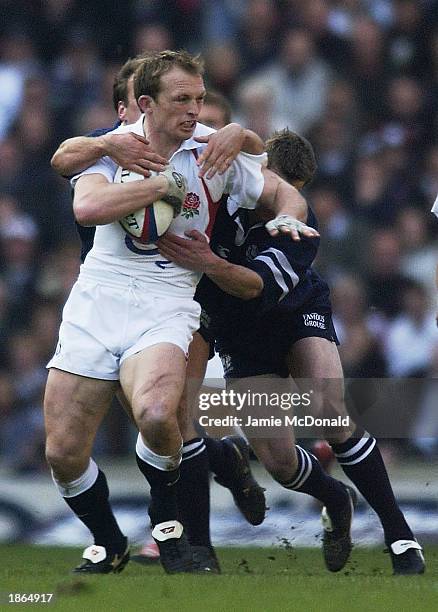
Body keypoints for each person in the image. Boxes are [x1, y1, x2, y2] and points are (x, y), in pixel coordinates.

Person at [45, 50, 317, 576]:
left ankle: (164, 520)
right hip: (98, 295)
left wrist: (287, 218)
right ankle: (108, 540)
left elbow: (286, 191)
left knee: (155, 415)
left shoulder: (210, 154)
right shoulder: (116, 146)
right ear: (146, 104)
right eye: (182, 100)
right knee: (62, 453)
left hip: (169, 297)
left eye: (199, 98)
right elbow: (87, 206)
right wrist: (155, 186)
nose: (195, 110)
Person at [158, 129, 425, 575]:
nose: (277, 197)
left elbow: (254, 287)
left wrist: (207, 262)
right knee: (279, 463)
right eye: (273, 183)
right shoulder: (218, 195)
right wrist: (234, 132)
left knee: (329, 409)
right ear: (256, 172)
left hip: (295, 313)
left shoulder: (299, 229)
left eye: (289, 192)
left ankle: (401, 537)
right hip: (238, 335)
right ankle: (336, 498)